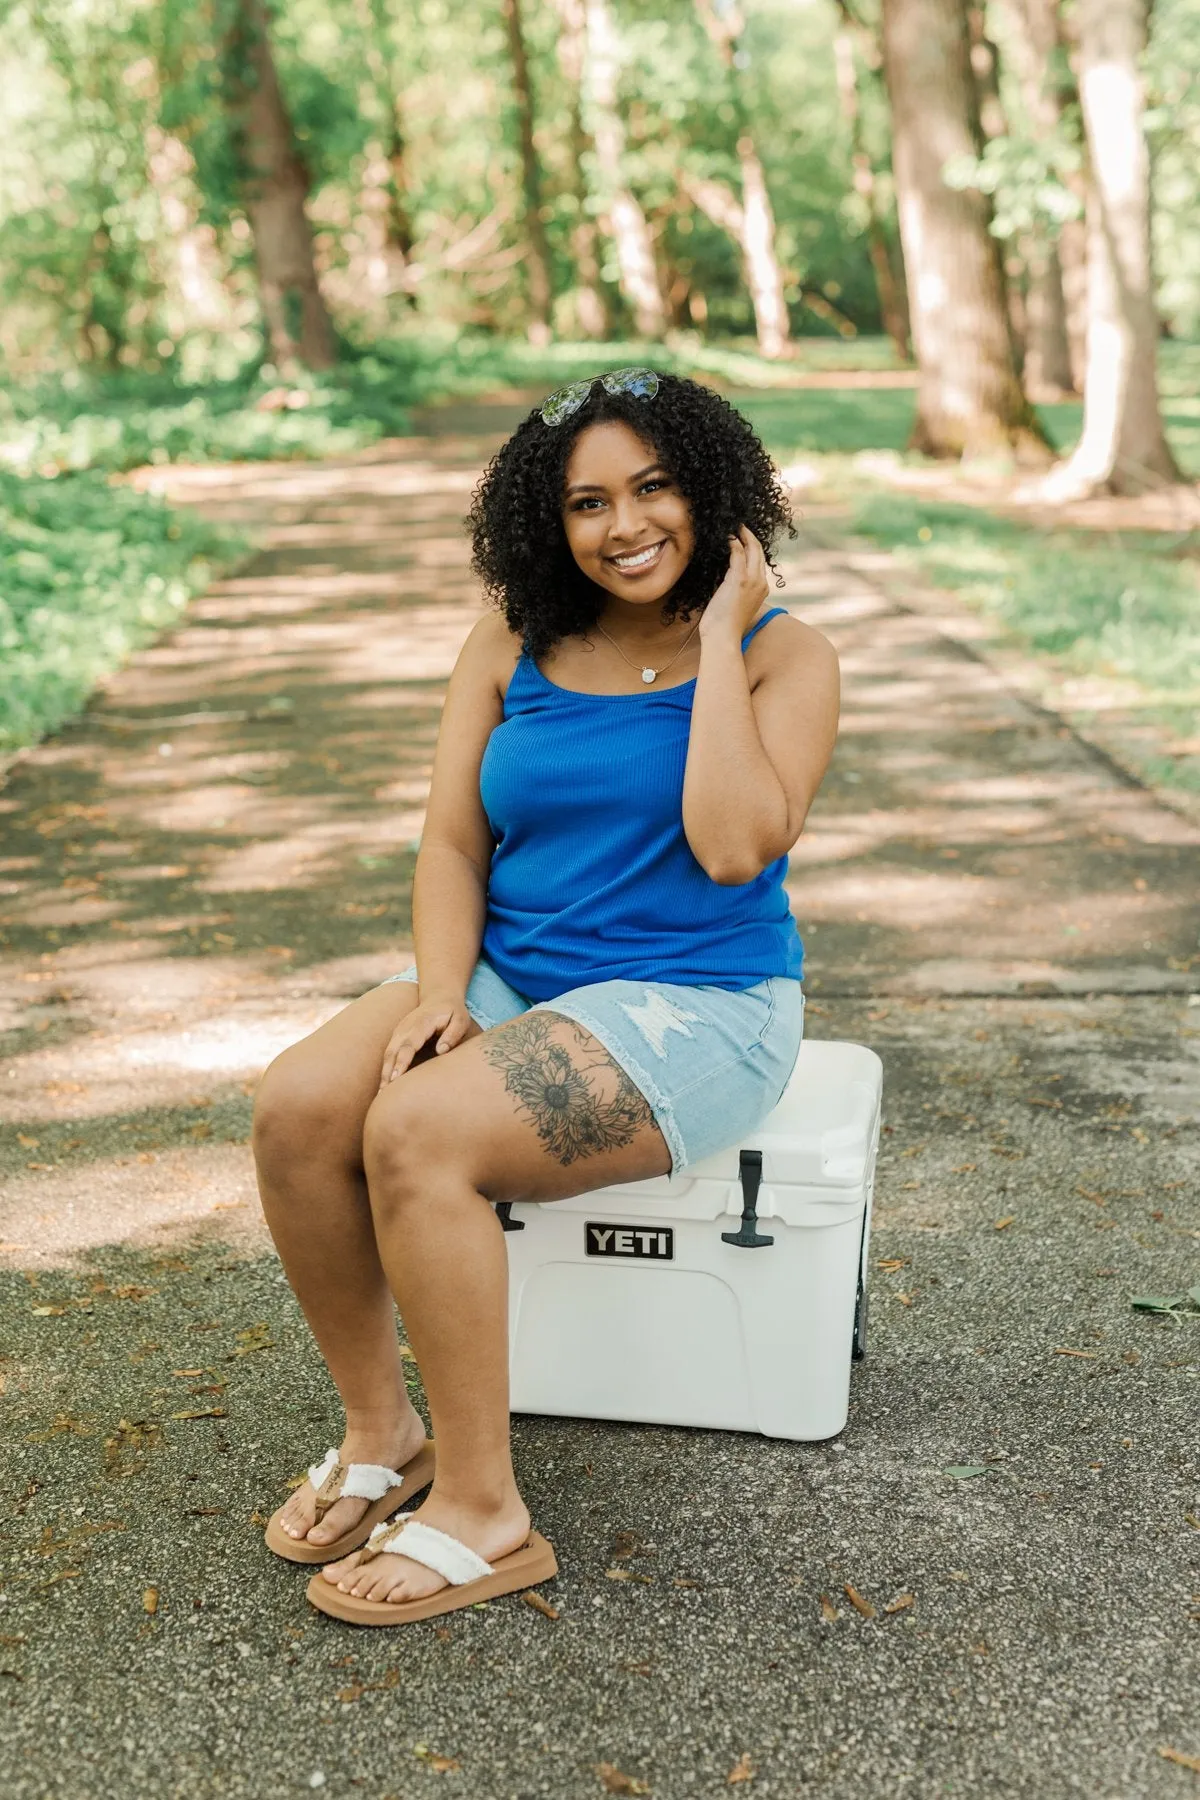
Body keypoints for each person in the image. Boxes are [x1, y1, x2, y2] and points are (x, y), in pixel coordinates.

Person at [252, 367, 840, 1626]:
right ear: (546, 520)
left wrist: (721, 641)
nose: (624, 525)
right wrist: (444, 993)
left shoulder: (793, 660)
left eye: (655, 487)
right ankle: (382, 1435)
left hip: (700, 1004)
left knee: (415, 1134)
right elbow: (454, 845)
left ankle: (483, 1510)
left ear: (715, 492)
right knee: (303, 1105)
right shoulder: (512, 636)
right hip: (520, 976)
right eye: (587, 502)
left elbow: (735, 846)